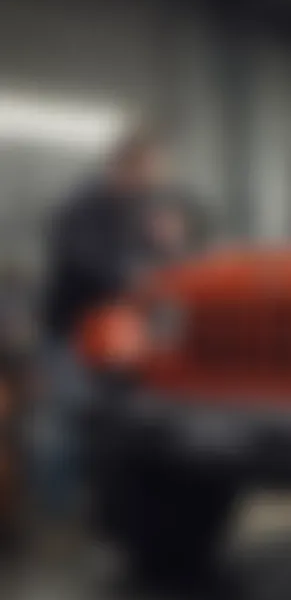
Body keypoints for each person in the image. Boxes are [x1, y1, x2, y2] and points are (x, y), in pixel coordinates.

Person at [37, 129, 173, 520]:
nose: (158, 179)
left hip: (114, 334)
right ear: (127, 166)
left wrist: (165, 242)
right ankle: (55, 511)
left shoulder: (136, 208)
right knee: (67, 418)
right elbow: (82, 262)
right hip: (72, 331)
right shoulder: (81, 205)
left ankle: (94, 504)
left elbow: (158, 260)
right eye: (153, 169)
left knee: (105, 419)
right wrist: (131, 275)